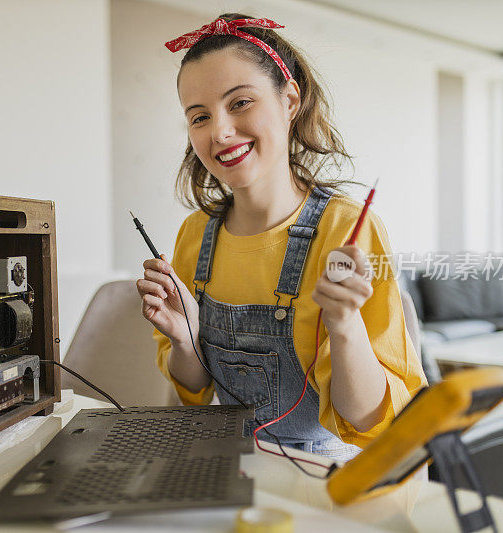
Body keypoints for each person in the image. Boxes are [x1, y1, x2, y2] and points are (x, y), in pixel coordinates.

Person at [136, 14, 427, 461]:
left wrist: (346, 327)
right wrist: (184, 338)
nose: (219, 131)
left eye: (239, 103)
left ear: (290, 100)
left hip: (326, 472)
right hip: (227, 464)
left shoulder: (347, 230)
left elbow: (370, 421)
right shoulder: (194, 235)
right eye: (199, 117)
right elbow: (194, 390)